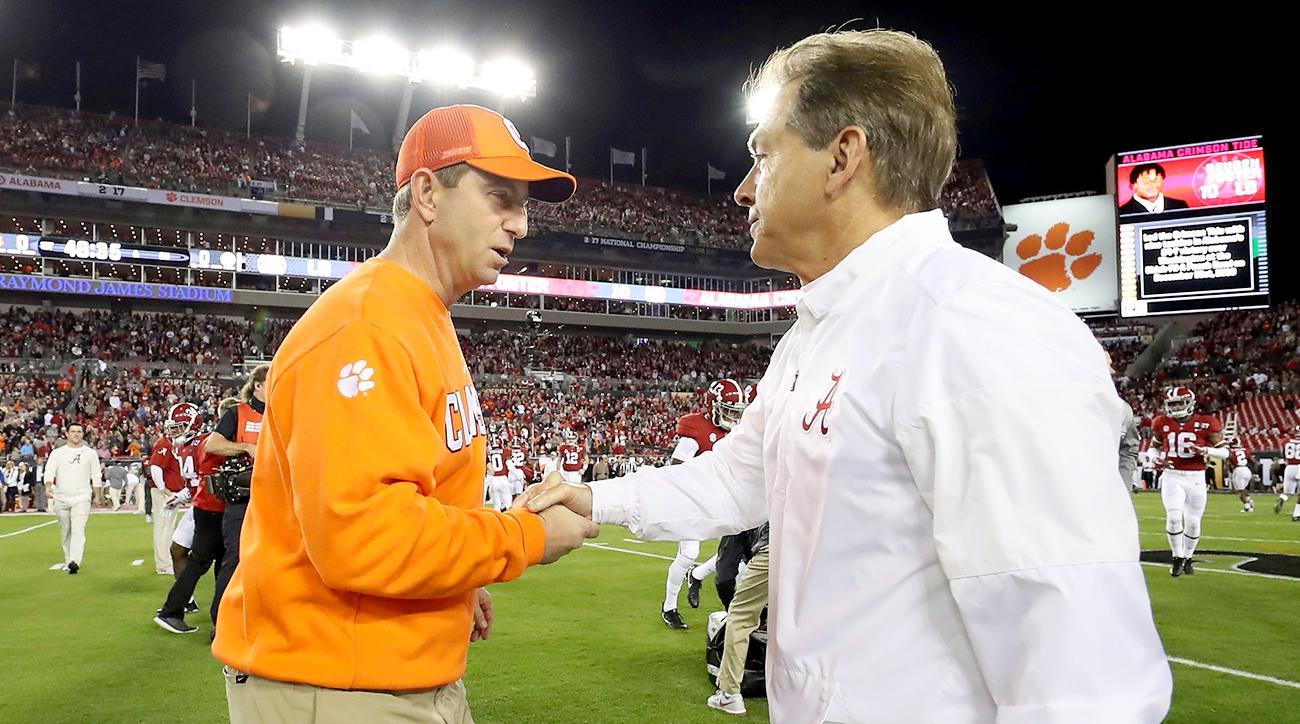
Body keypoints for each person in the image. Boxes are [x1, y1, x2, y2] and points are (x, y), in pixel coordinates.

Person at [522, 29, 1172, 722]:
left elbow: (1083, 678)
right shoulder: (819, 330)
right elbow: (740, 478)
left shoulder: (977, 329)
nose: (742, 190)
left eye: (762, 157)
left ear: (842, 158)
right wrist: (596, 499)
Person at [214, 104, 598, 723]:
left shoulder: (421, 315)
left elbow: (418, 492)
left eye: (523, 204)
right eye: (500, 197)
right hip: (335, 684)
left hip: (388, 676)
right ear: (427, 193)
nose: (520, 224)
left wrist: (453, 581)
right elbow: (363, 536)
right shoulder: (366, 325)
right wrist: (524, 537)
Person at [662, 378, 753, 630]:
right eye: (728, 410)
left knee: (740, 548)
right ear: (713, 406)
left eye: (736, 412)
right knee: (688, 553)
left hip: (722, 501)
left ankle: (698, 574)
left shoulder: (735, 433)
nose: (733, 417)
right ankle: (669, 607)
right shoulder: (696, 432)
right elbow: (676, 468)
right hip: (694, 501)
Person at [205, 372, 266, 631]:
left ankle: (260, 617)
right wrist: (246, 447)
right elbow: (213, 444)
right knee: (236, 557)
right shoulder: (237, 413)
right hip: (242, 497)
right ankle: (221, 622)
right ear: (259, 385)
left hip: (274, 496)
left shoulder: (283, 412)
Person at [1150, 386, 1224, 576]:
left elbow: (1225, 452)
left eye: (1179, 403)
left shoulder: (1206, 423)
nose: (1175, 408)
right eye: (1172, 404)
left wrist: (1205, 451)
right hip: (1172, 476)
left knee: (1192, 522)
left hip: (1197, 477)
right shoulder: (1161, 422)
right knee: (1174, 517)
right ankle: (1177, 557)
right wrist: (1154, 458)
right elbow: (1154, 448)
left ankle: (1189, 557)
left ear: (1190, 403)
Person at [709, 531, 769, 716]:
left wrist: (732, 609)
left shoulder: (742, 516)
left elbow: (725, 577)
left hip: (776, 548)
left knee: (740, 616)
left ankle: (729, 694)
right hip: (812, 549)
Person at [43, 422, 102, 574]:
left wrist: (97, 495)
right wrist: (48, 487)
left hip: (82, 496)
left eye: (79, 431)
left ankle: (75, 560)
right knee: (66, 529)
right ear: (67, 434)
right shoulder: (57, 453)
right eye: (73, 431)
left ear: (83, 434)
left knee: (78, 529)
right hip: (61, 497)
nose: (76, 434)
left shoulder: (90, 453)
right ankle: (68, 558)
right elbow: (49, 472)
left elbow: (96, 475)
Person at [148, 403, 199, 574]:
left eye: (179, 427)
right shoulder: (165, 443)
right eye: (173, 428)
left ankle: (167, 562)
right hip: (167, 492)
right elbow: (155, 467)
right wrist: (164, 490)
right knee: (163, 529)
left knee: (169, 529)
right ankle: (164, 564)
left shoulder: (181, 444)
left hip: (175, 492)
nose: (175, 431)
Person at [1119, 163, 1190, 215]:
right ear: (1133, 184)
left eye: (1156, 179)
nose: (1152, 184)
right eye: (1146, 181)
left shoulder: (1179, 206)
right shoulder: (1123, 212)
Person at [1227, 437, 1256, 512]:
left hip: (1239, 470)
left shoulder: (1231, 452)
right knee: (1243, 489)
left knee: (1240, 491)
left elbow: (1229, 464)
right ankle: (1249, 500)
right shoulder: (1245, 450)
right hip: (1247, 469)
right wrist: (1255, 471)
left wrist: (1231, 471)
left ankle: (1247, 506)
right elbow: (1253, 460)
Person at [1279, 427, 1300, 519]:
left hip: (1289, 467)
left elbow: (1282, 454)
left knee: (1287, 492)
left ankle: (1283, 498)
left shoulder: (1285, 441)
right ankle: (1296, 514)